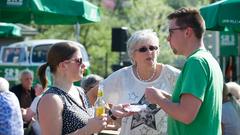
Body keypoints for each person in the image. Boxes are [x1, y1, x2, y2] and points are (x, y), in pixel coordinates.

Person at [144, 8, 224, 135]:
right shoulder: (209, 60)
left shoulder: (196, 62)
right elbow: (197, 107)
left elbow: (186, 115)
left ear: (187, 32)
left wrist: (158, 99)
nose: (168, 38)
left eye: (171, 32)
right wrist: (167, 97)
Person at [97, 29, 180, 135]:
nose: (149, 52)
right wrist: (111, 116)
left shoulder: (172, 75)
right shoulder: (122, 76)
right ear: (133, 54)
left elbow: (188, 106)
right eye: (143, 49)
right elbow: (94, 95)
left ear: (158, 50)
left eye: (152, 48)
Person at [37, 42, 130, 135]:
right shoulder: (51, 99)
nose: (84, 65)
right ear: (63, 65)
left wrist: (113, 113)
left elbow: (94, 125)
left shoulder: (80, 91)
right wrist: (87, 129)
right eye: (79, 61)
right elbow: (88, 128)